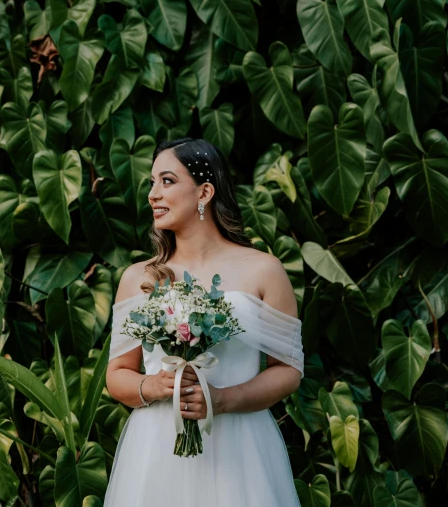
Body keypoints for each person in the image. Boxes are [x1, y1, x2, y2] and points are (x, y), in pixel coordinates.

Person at [104, 137, 305, 506]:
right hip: (156, 449)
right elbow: (117, 374)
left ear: (205, 191)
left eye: (166, 181)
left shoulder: (264, 270)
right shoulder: (138, 278)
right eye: (151, 182)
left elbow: (289, 370)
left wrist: (224, 399)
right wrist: (154, 385)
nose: (153, 194)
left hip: (241, 448)